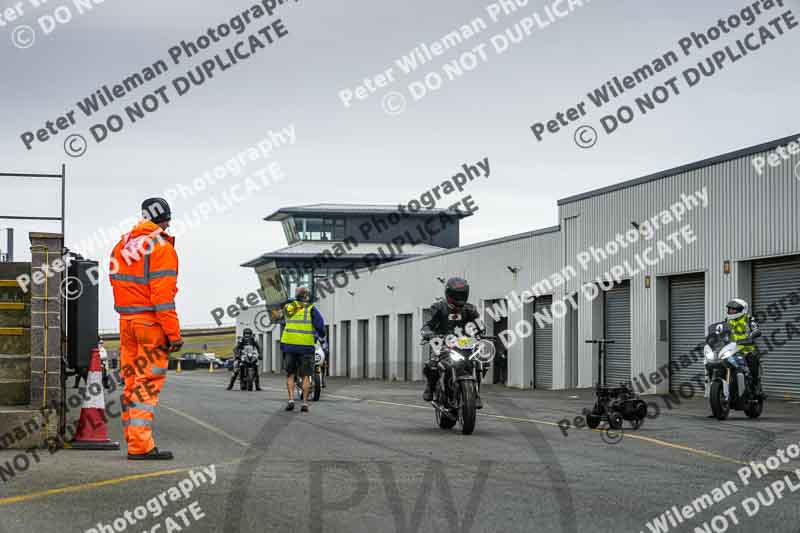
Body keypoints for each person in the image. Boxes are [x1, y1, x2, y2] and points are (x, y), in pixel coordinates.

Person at [110, 198, 183, 461]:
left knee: (131, 382)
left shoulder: (123, 244)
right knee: (147, 383)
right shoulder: (161, 246)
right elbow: (163, 296)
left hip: (126, 322)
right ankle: (140, 446)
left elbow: (116, 279)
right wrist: (173, 334)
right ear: (165, 220)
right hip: (150, 324)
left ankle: (133, 440)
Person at [420, 277, 485, 408]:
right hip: (443, 344)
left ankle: (476, 393)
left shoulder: (470, 309)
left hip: (465, 344)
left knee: (480, 361)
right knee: (432, 364)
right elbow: (428, 325)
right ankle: (430, 388)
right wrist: (428, 333)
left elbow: (479, 325)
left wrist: (481, 331)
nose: (459, 297)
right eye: (456, 295)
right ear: (449, 294)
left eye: (462, 294)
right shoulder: (438, 307)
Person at [280, 287, 325, 412]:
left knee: (290, 374)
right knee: (306, 375)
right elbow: (320, 325)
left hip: (289, 345)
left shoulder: (288, 307)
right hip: (306, 346)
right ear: (307, 296)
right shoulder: (311, 308)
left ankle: (291, 400)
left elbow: (281, 314)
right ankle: (304, 403)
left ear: (296, 296)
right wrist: (321, 335)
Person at [725, 298, 764, 398]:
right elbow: (719, 332)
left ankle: (756, 388)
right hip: (732, 350)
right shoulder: (727, 321)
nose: (731, 311)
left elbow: (756, 330)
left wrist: (751, 336)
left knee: (752, 360)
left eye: (734, 309)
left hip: (747, 349)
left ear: (742, 310)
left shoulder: (749, 319)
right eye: (730, 309)